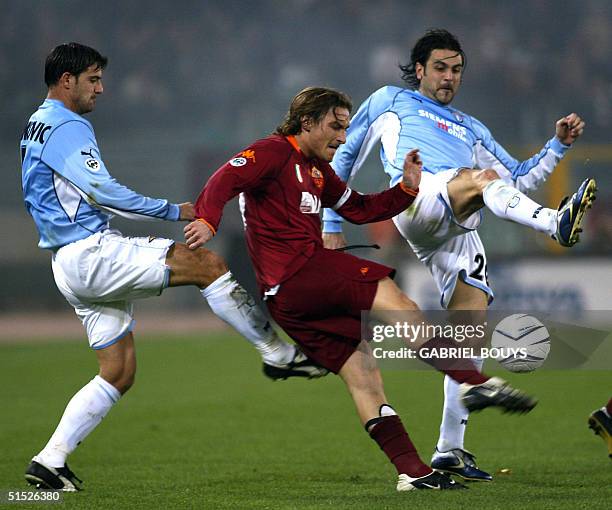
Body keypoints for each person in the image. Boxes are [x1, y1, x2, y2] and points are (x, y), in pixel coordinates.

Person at [184, 86, 538, 492]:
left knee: (363, 372)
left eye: (347, 127)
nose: (342, 136)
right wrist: (209, 220)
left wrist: (405, 189)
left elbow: (359, 208)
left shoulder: (317, 170)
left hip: (287, 302)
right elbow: (224, 179)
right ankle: (473, 382)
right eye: (335, 126)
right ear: (307, 122)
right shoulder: (272, 151)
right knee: (394, 297)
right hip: (302, 273)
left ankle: (412, 471)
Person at [20, 43, 325, 492]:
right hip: (90, 251)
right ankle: (278, 353)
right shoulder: (67, 125)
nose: (100, 89)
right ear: (67, 81)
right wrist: (173, 210)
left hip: (66, 266)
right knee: (206, 264)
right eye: (93, 79)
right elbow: (102, 190)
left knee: (118, 371)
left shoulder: (36, 124)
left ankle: (50, 461)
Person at [322, 28, 597, 482]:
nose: (449, 78)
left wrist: (557, 145)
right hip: (415, 195)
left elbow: (519, 179)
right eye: (440, 68)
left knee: (468, 336)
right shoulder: (391, 100)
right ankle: (554, 224)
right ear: (419, 70)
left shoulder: (472, 127)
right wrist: (332, 224)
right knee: (480, 177)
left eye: (456, 70)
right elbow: (346, 156)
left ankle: (450, 449)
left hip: (455, 221)